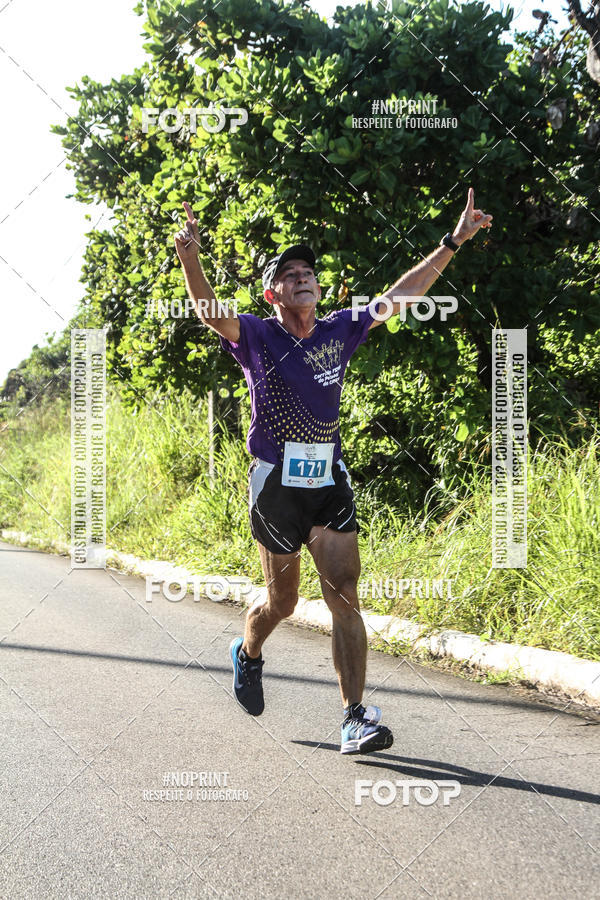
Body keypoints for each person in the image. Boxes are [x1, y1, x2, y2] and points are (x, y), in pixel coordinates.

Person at [175, 190, 492, 754]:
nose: (303, 278)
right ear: (272, 292)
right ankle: (247, 653)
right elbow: (208, 312)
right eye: (288, 274)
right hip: (275, 485)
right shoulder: (256, 334)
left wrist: (453, 242)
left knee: (344, 593)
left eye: (308, 273)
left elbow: (401, 294)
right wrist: (190, 258)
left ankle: (353, 717)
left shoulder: (339, 329)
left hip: (328, 478)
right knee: (284, 603)